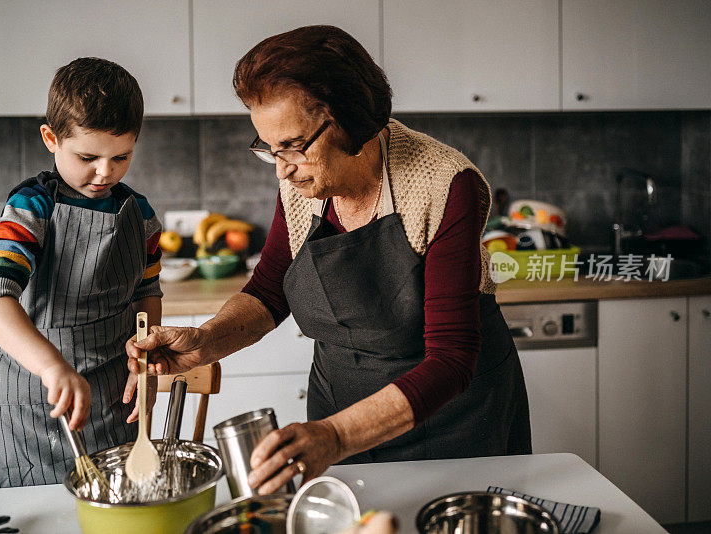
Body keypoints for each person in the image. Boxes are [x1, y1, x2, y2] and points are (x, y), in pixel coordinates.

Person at [127, 25, 530, 495]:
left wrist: (336, 435)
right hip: (336, 419)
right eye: (269, 149)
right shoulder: (300, 181)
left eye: (294, 146)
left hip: (452, 425)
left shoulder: (443, 184)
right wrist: (206, 340)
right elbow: (269, 289)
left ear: (350, 122)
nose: (281, 167)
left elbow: (452, 358)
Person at [0, 57, 162, 490]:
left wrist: (146, 356)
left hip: (108, 411)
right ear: (51, 138)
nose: (106, 172)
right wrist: (52, 367)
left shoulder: (140, 216)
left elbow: (147, 293)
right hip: (20, 413)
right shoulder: (31, 207)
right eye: (88, 156)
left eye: (121, 157)